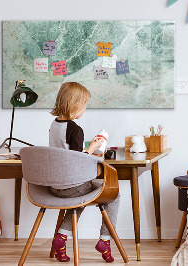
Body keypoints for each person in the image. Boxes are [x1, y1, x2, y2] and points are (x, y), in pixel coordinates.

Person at [49, 82, 119, 263]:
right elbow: (77, 161)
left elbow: (66, 154)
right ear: (75, 105)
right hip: (72, 186)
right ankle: (105, 240)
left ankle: (61, 238)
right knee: (114, 194)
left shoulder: (54, 125)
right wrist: (94, 148)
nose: (84, 109)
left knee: (79, 197)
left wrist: (89, 149)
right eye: (84, 105)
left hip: (55, 186)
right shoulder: (75, 129)